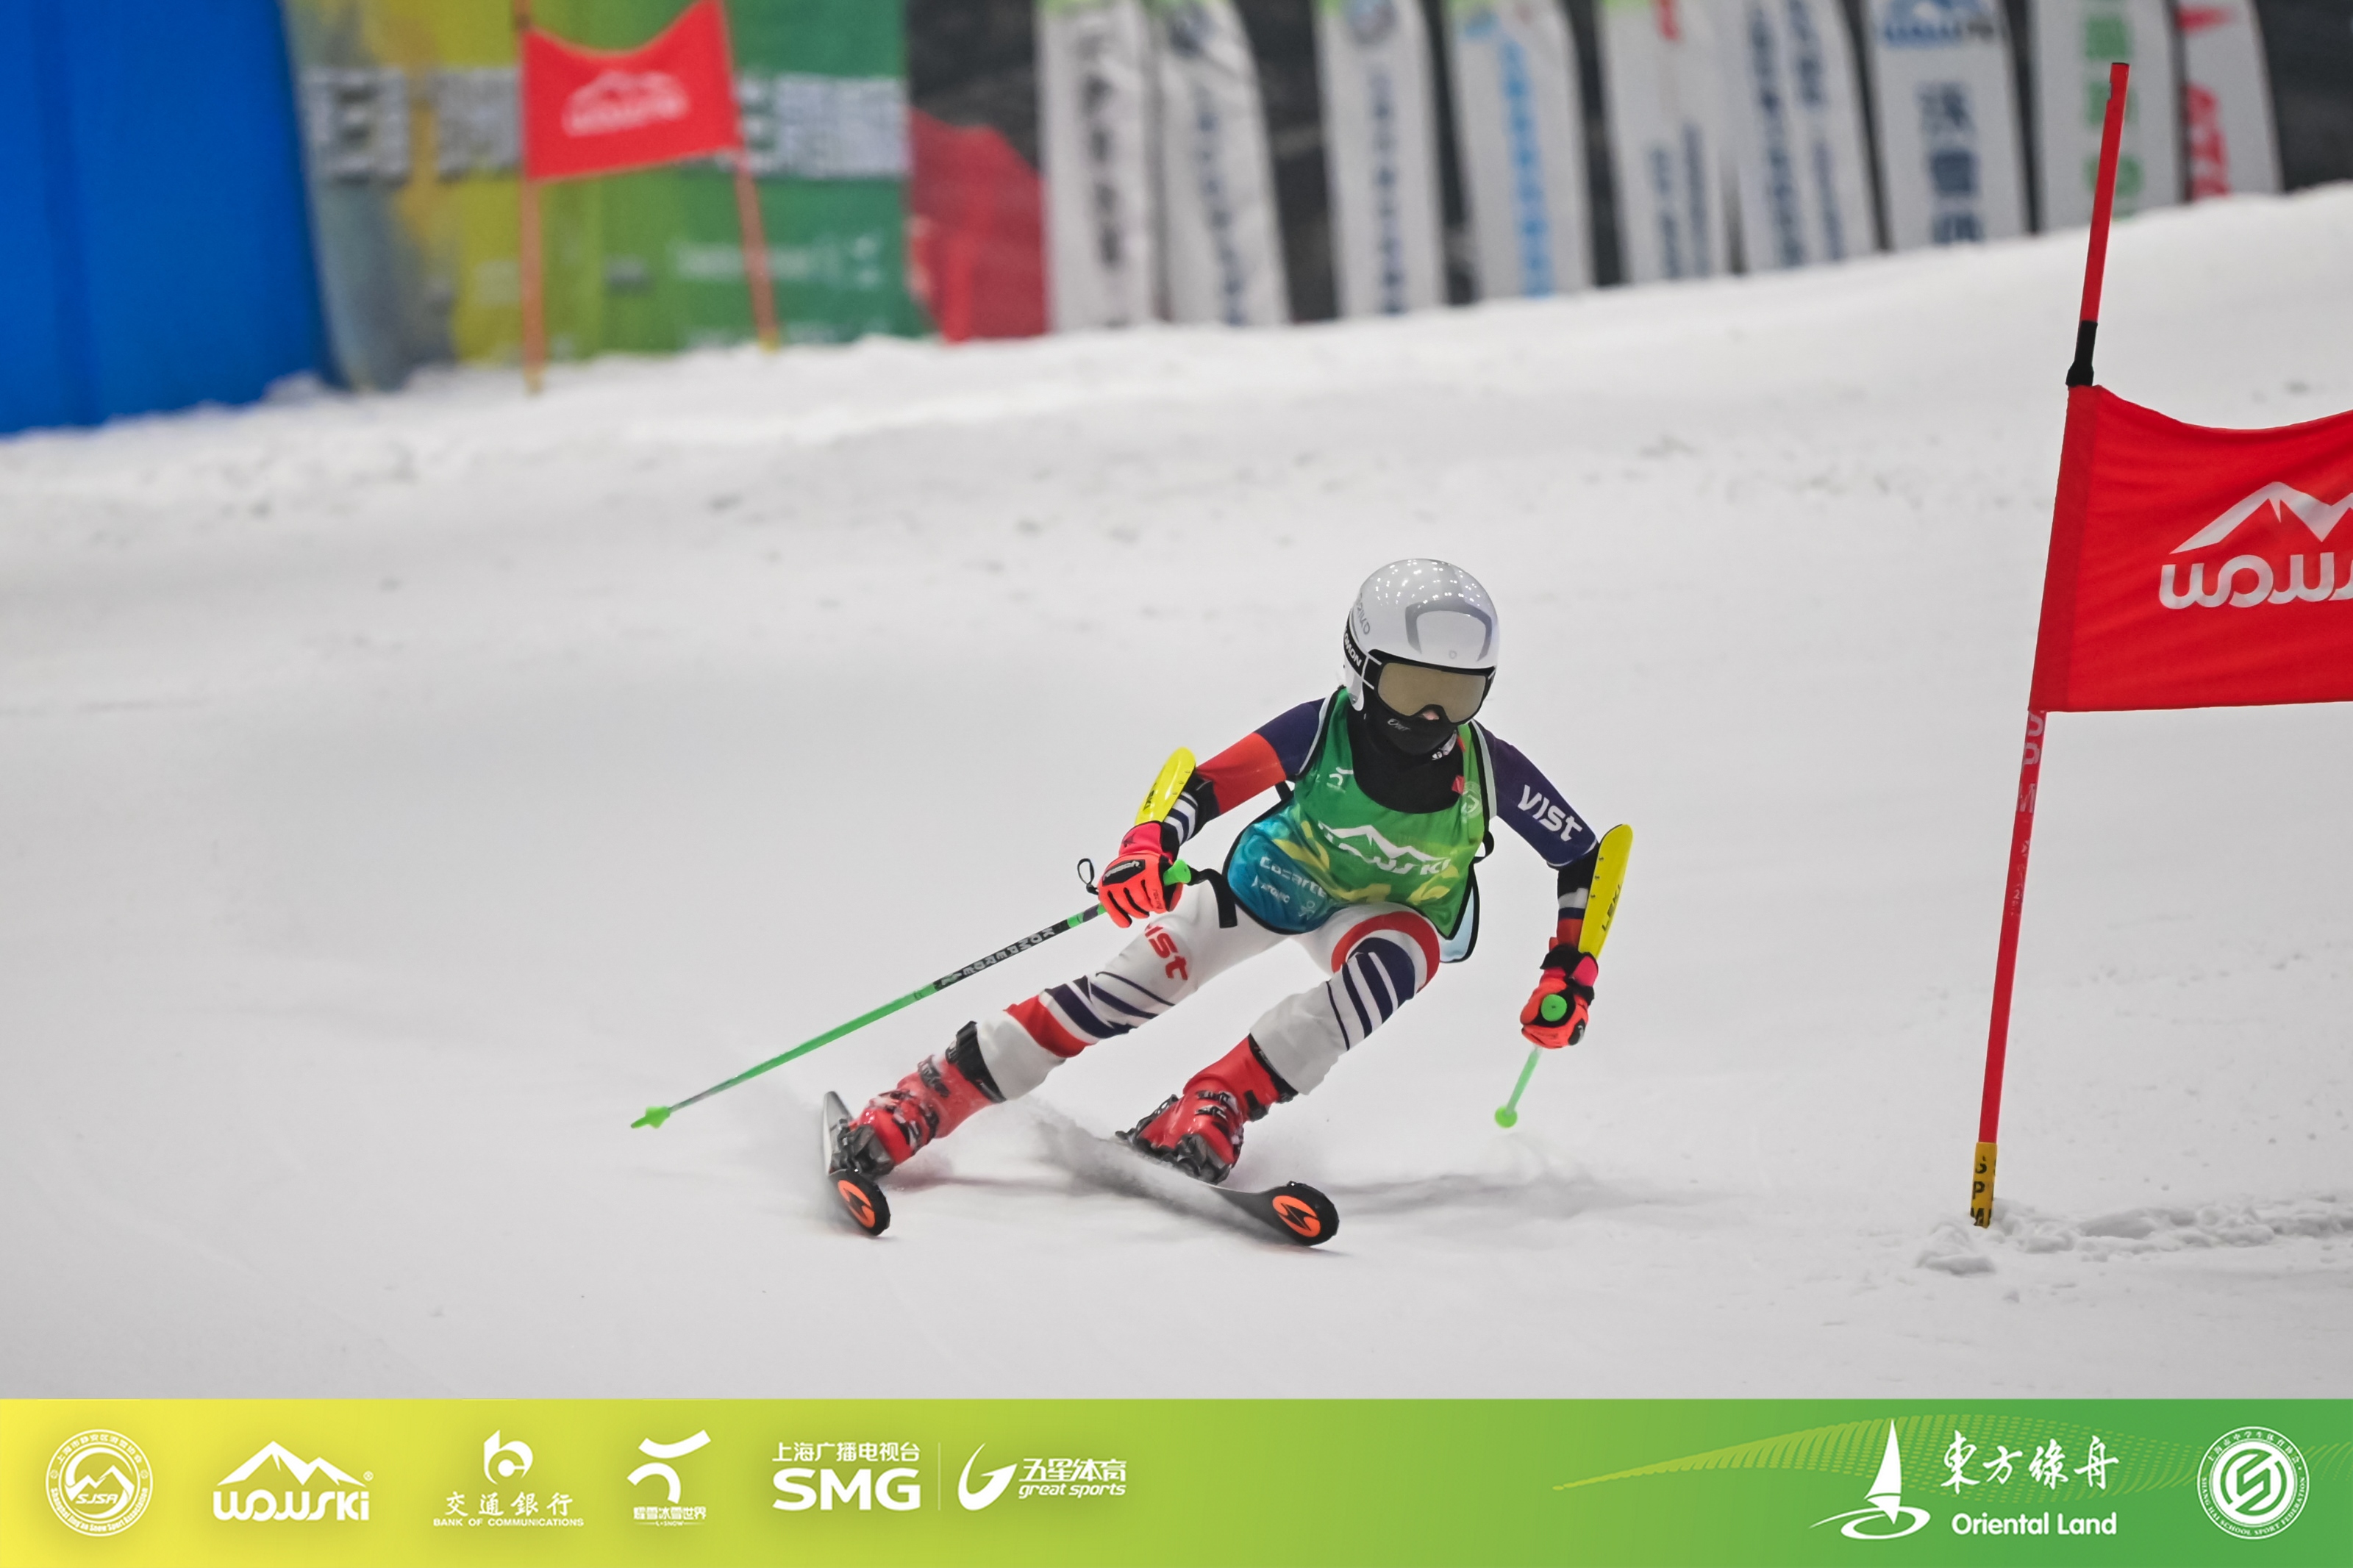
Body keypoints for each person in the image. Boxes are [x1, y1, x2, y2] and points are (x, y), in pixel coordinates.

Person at [838, 559, 1604, 1185]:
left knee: (1397, 966)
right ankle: (934, 1091)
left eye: (1457, 694)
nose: (1432, 718)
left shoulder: (1488, 767)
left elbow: (1580, 856)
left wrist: (1571, 968)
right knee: (1127, 991)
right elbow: (1204, 786)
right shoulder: (1323, 728)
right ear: (1363, 667)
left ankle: (1219, 1100)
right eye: (1412, 688)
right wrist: (1147, 845)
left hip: (1388, 915)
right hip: (1275, 884)